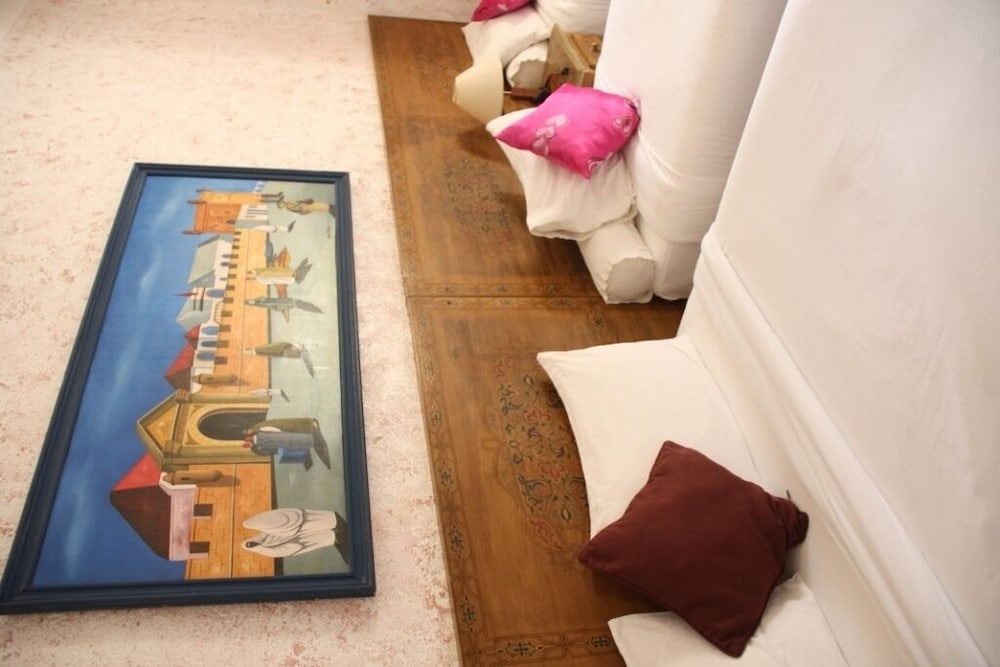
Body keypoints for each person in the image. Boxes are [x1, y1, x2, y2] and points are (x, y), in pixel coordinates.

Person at [241, 507, 349, 564]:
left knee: (319, 522)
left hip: (298, 524)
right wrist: (290, 536)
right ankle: (334, 534)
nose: (253, 543)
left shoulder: (266, 531)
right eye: (252, 545)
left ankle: (334, 525)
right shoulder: (266, 550)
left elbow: (288, 518)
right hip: (299, 539)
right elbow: (286, 550)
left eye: (251, 543)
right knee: (318, 536)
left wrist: (289, 530)